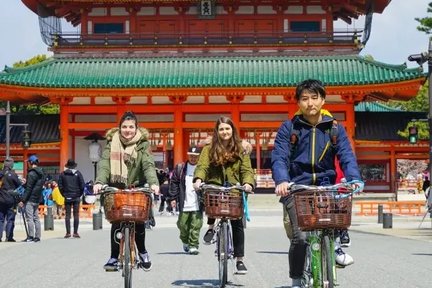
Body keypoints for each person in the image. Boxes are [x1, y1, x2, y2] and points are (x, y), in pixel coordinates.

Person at [271, 79, 363, 288]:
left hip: (325, 186)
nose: (310, 103)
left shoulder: (334, 129)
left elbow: (347, 156)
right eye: (304, 99)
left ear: (323, 100)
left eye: (314, 98)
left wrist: (354, 178)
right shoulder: (289, 128)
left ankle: (335, 248)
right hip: (297, 188)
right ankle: (296, 278)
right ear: (298, 102)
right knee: (301, 237)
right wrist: (282, 180)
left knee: (334, 223)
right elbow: (279, 157)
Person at [93, 111, 160, 272]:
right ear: (119, 128)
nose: (127, 130)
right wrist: (100, 182)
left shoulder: (143, 144)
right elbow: (104, 164)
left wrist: (153, 183)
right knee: (117, 222)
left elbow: (148, 164)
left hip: (137, 187)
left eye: (131, 127)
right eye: (124, 127)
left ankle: (142, 252)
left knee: (138, 220)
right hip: (117, 187)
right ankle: (114, 256)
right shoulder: (111, 143)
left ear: (136, 128)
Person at [193, 116, 254, 274]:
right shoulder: (209, 149)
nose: (225, 131)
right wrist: (198, 179)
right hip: (215, 185)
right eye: (221, 129)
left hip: (235, 187)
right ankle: (211, 227)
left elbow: (246, 170)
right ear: (217, 131)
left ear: (232, 130)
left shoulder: (241, 149)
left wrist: (248, 183)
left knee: (237, 222)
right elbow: (203, 166)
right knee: (211, 197)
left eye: (227, 128)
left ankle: (239, 259)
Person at [168, 145, 203, 255]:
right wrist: (173, 198)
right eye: (191, 156)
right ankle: (185, 240)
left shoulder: (202, 169)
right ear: (188, 155)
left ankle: (193, 245)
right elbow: (174, 183)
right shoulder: (181, 168)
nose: (193, 158)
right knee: (182, 225)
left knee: (196, 225)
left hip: (197, 202)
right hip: (184, 201)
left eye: (195, 156)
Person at [19, 155, 45, 242]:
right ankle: (37, 236)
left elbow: (29, 188)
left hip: (30, 199)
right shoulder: (42, 173)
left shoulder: (31, 173)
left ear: (31, 163)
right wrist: (25, 184)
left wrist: (23, 200)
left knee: (29, 218)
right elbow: (36, 186)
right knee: (36, 218)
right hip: (37, 198)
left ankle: (30, 236)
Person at [58, 159, 85, 239]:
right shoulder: (78, 173)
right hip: (76, 196)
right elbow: (82, 185)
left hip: (67, 196)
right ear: (74, 166)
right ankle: (75, 232)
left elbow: (60, 186)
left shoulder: (63, 174)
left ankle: (68, 232)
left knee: (67, 215)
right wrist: (79, 194)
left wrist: (64, 194)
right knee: (76, 215)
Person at [0, 158, 22, 242]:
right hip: (11, 199)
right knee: (10, 219)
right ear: (11, 165)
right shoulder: (13, 174)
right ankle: (9, 237)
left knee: (0, 219)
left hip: (1, 198)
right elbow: (19, 186)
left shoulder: (0, 174)